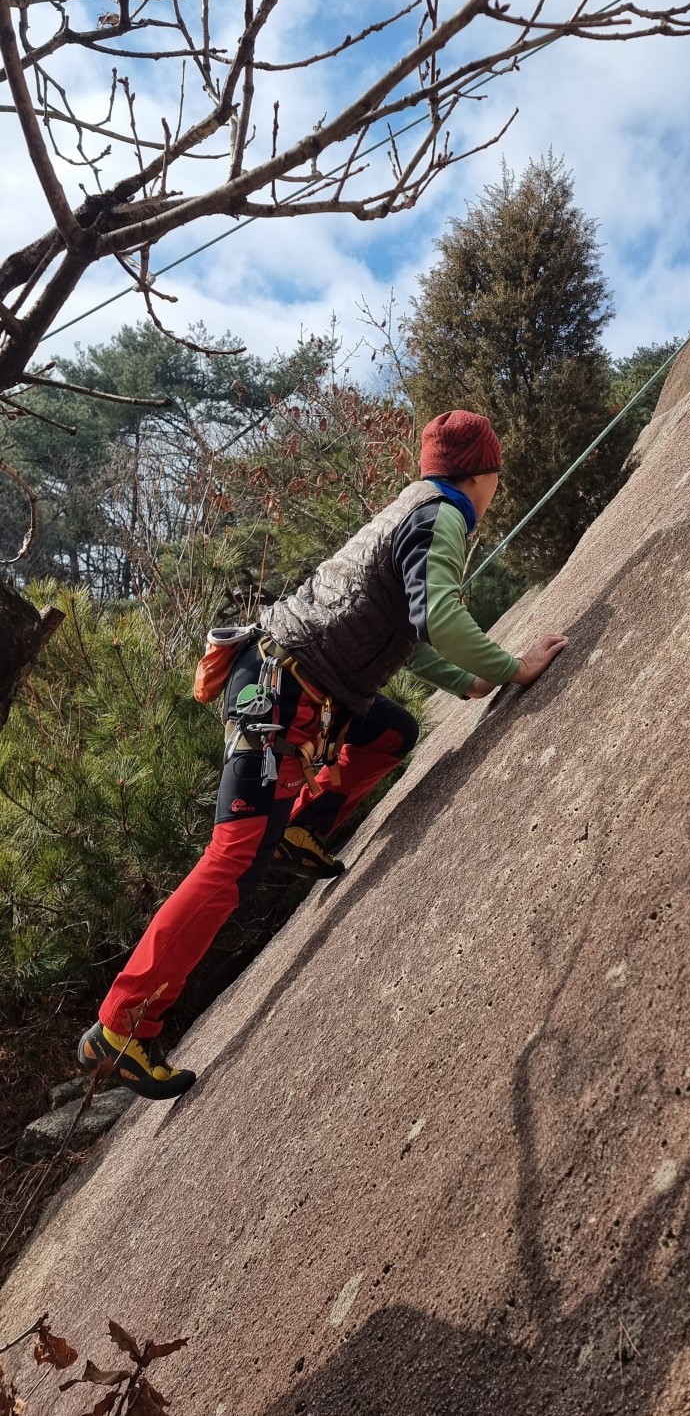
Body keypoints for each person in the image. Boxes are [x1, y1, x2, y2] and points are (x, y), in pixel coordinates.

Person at [78, 410, 568, 1099]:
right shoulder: (444, 516)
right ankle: (123, 1025)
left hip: (288, 683)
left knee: (391, 732)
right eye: (497, 477)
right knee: (232, 859)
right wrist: (515, 668)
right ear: (483, 471)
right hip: (280, 691)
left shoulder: (414, 505)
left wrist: (469, 680)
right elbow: (442, 619)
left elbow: (409, 631)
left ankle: (304, 825)